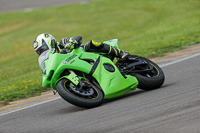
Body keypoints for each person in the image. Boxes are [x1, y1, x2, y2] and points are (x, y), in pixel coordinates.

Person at [33, 33, 130, 60]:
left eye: (42, 49)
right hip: (81, 65)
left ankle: (121, 53)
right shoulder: (52, 60)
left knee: (91, 44)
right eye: (40, 52)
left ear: (49, 42)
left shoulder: (62, 43)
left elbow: (78, 38)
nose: (42, 52)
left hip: (88, 55)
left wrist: (70, 44)